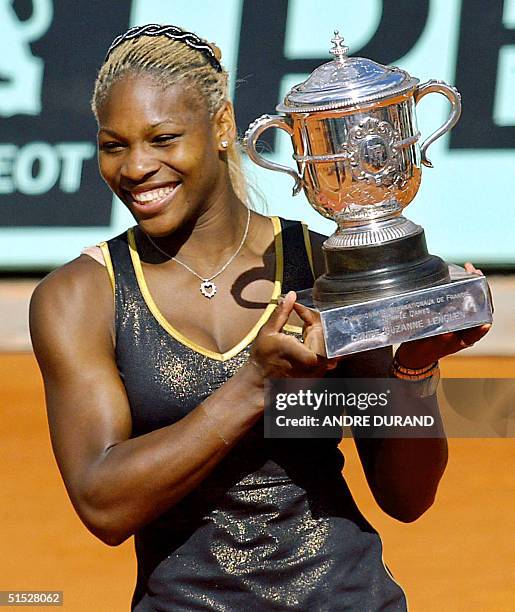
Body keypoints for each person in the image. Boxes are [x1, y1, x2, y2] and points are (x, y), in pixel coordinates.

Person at [29, 24, 490, 611]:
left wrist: (414, 372)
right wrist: (255, 385)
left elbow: (407, 496)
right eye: (113, 145)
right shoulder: (80, 297)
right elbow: (103, 504)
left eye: (163, 139)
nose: (136, 167)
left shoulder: (327, 265)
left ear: (222, 127)